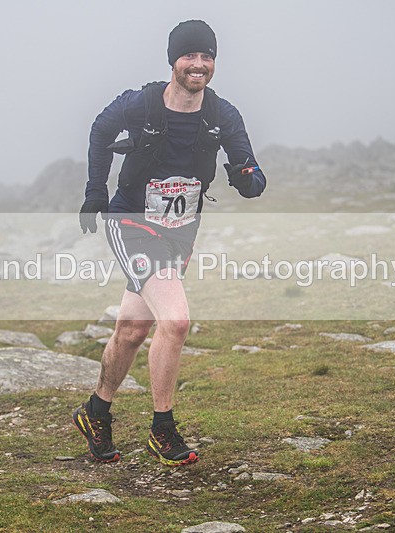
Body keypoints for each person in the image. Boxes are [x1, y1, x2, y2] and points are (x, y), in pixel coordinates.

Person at [73, 19, 266, 466]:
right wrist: (94, 193)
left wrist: (247, 179)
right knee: (175, 321)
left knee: (134, 328)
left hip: (180, 231)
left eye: (207, 57)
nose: (198, 65)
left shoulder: (222, 115)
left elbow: (251, 172)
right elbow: (100, 132)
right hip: (132, 223)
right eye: (190, 56)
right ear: (173, 61)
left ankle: (95, 411)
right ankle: (163, 430)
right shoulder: (140, 104)